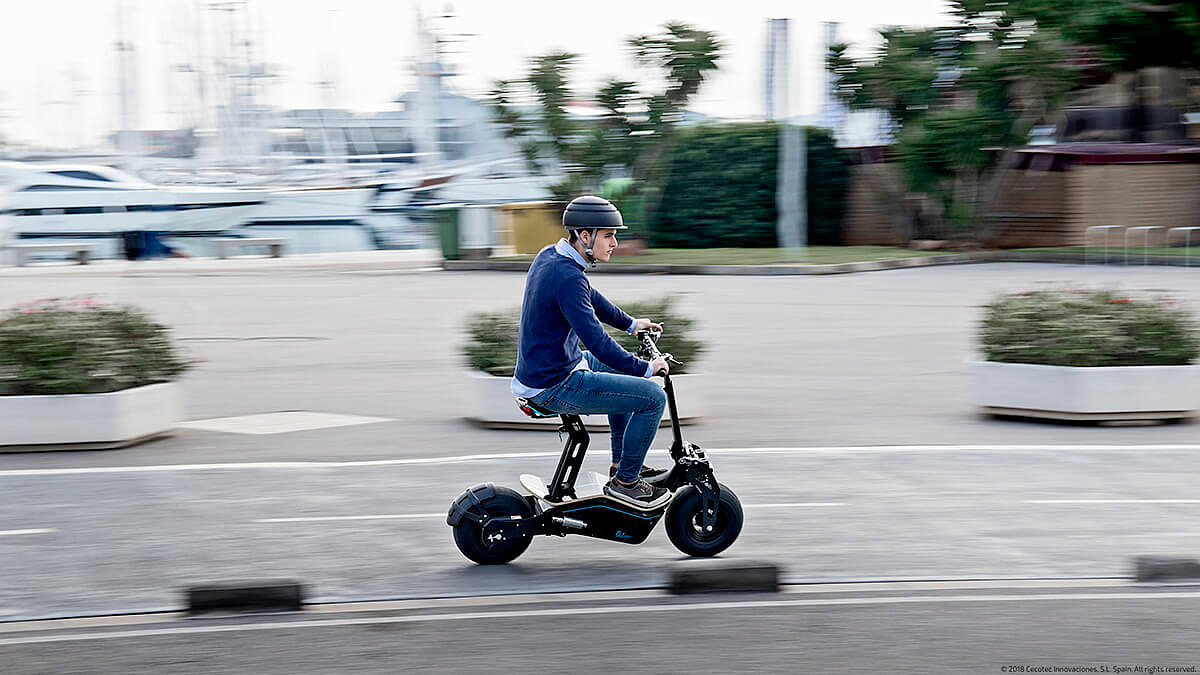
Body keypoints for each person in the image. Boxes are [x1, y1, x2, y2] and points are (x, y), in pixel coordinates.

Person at [511, 195, 672, 508]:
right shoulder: (567, 277)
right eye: (609, 235)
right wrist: (647, 369)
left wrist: (631, 325)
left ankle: (620, 466)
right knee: (653, 398)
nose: (614, 242)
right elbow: (597, 342)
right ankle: (627, 482)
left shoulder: (552, 257)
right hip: (554, 383)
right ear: (585, 236)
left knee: (621, 372)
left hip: (552, 369)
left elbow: (592, 297)